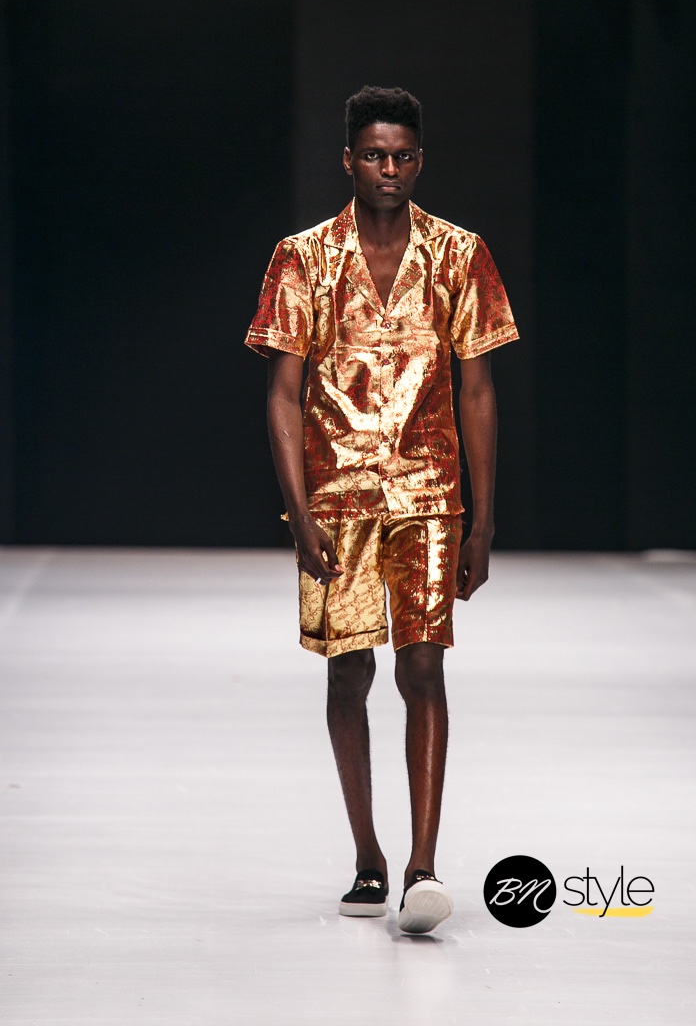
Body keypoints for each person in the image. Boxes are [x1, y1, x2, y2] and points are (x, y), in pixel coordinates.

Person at [245, 85, 518, 934]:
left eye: (401, 156)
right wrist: (298, 513)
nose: (388, 169)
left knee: (424, 666)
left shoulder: (461, 254)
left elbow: (478, 389)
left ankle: (422, 865)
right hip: (335, 497)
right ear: (348, 161)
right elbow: (282, 392)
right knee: (347, 672)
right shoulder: (303, 258)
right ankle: (367, 854)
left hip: (430, 494)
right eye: (373, 155)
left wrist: (482, 521)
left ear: (420, 162)